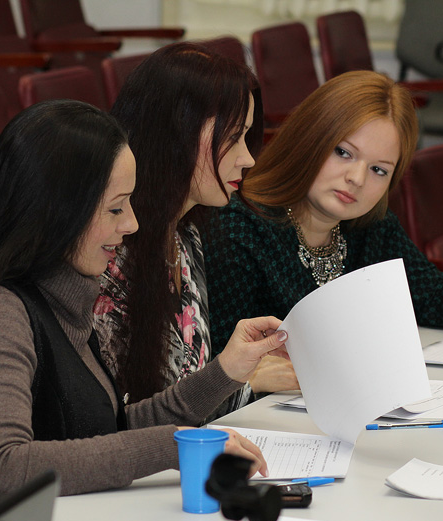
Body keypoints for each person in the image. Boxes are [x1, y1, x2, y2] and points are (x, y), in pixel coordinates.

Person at [0, 100, 288, 521]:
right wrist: (175, 446)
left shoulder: (63, 291)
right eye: (115, 209)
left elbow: (106, 429)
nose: (132, 224)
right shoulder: (0, 311)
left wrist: (226, 371)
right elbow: (2, 469)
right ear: (58, 212)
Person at [203, 70, 443, 359]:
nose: (356, 179)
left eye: (378, 170)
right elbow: (222, 363)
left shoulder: (372, 228)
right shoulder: (239, 227)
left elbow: (432, 296)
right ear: (309, 140)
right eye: (343, 152)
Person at [93, 43, 298, 416]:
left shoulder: (184, 236)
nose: (248, 158)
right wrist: (241, 379)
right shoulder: (109, 253)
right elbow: (120, 424)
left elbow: (184, 401)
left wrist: (242, 378)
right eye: (233, 137)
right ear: (176, 135)